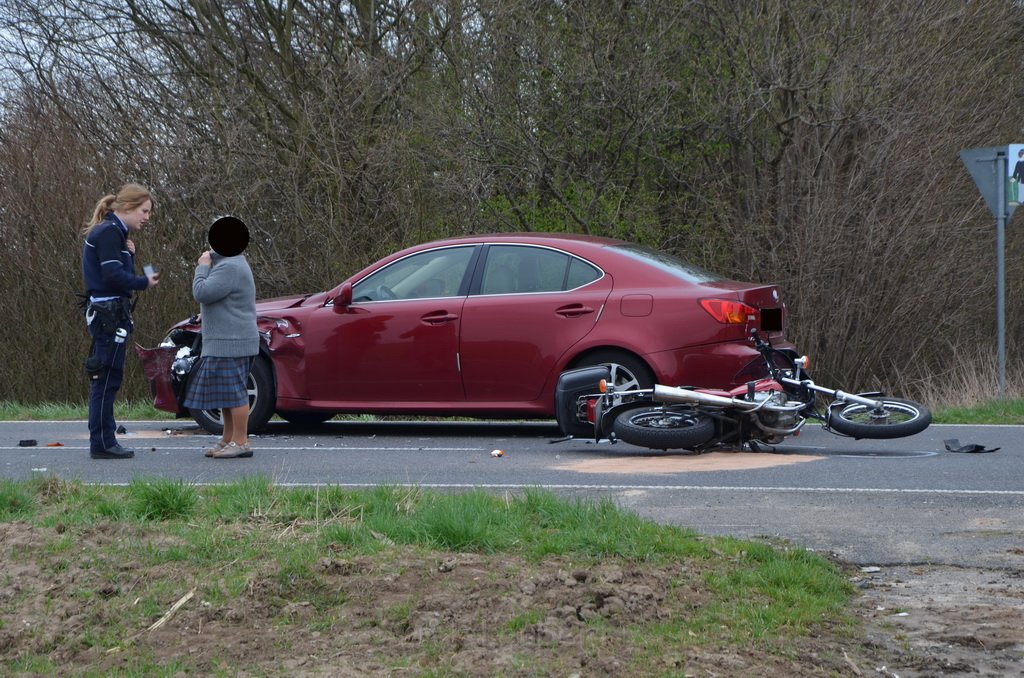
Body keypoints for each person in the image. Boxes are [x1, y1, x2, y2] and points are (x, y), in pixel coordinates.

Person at [81, 183, 160, 459]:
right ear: (128, 207)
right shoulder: (108, 233)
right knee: (105, 378)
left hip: (113, 312)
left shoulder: (115, 233)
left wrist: (130, 254)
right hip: (109, 315)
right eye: (144, 210)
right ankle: (102, 443)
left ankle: (105, 439)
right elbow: (114, 277)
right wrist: (143, 281)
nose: (147, 217)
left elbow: (116, 271)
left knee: (110, 377)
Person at [182, 216, 259, 459]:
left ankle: (241, 442)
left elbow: (202, 292)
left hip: (233, 341)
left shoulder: (231, 267)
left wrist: (202, 266)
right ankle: (228, 439)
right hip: (226, 341)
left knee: (235, 394)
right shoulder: (230, 263)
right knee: (227, 394)